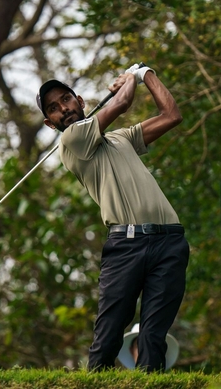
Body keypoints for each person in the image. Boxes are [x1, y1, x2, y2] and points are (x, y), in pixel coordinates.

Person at [35, 64, 189, 372]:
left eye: (66, 99)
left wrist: (147, 74)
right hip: (126, 246)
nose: (63, 109)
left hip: (169, 241)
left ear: (79, 100)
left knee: (153, 336)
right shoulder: (71, 141)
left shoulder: (121, 138)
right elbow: (122, 103)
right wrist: (131, 77)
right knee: (109, 334)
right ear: (50, 123)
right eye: (53, 108)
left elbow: (171, 115)